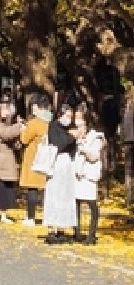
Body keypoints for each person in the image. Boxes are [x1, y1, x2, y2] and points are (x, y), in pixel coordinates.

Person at [39, 105, 77, 245]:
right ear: (60, 114)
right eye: (67, 115)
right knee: (54, 195)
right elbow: (58, 144)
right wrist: (71, 137)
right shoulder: (54, 127)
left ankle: (62, 228)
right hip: (56, 163)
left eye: (70, 116)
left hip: (67, 165)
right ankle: (51, 229)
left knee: (65, 196)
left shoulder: (69, 128)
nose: (69, 119)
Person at [72, 106, 106, 245]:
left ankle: (91, 234)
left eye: (80, 120)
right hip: (78, 173)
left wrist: (83, 145)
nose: (78, 123)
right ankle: (77, 231)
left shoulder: (95, 137)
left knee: (92, 204)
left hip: (89, 175)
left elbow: (94, 155)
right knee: (76, 203)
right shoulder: (76, 135)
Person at [18, 95, 51, 228]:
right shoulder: (50, 121)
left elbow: (24, 139)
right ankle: (47, 217)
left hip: (34, 159)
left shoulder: (35, 123)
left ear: (36, 107)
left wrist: (22, 129)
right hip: (47, 159)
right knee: (46, 191)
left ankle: (31, 217)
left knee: (32, 189)